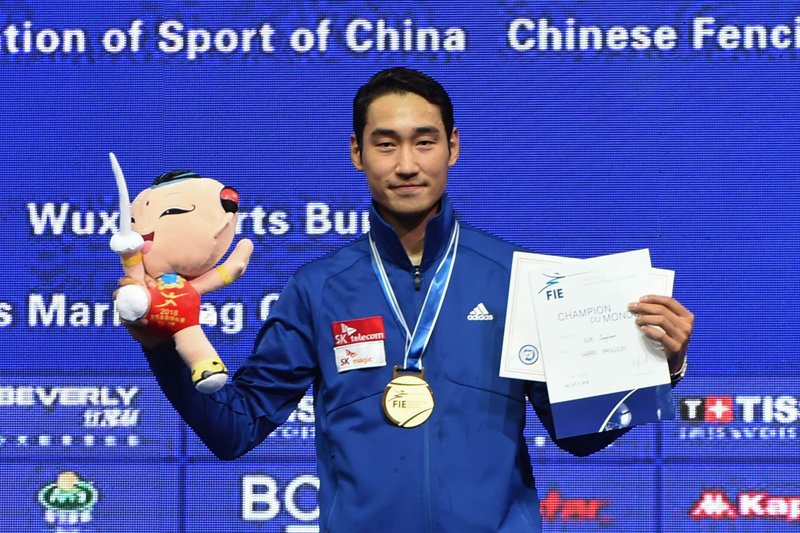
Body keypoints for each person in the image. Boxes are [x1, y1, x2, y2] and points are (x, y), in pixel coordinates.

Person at [123, 67, 693, 532]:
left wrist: (658, 367)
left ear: (453, 147)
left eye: (425, 142)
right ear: (356, 152)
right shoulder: (318, 288)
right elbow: (233, 431)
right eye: (385, 144)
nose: (406, 164)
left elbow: (579, 437)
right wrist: (161, 345)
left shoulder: (518, 276)